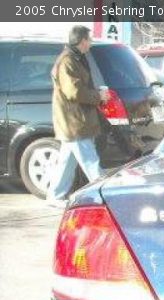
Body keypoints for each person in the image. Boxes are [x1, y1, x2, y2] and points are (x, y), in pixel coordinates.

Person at [46, 26, 110, 207]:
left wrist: (97, 94)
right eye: (89, 40)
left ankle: (55, 196)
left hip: (75, 120)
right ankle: (104, 195)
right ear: (82, 41)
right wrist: (98, 96)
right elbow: (73, 91)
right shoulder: (67, 61)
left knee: (66, 162)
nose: (90, 43)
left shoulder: (76, 58)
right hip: (74, 121)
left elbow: (79, 88)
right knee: (91, 161)